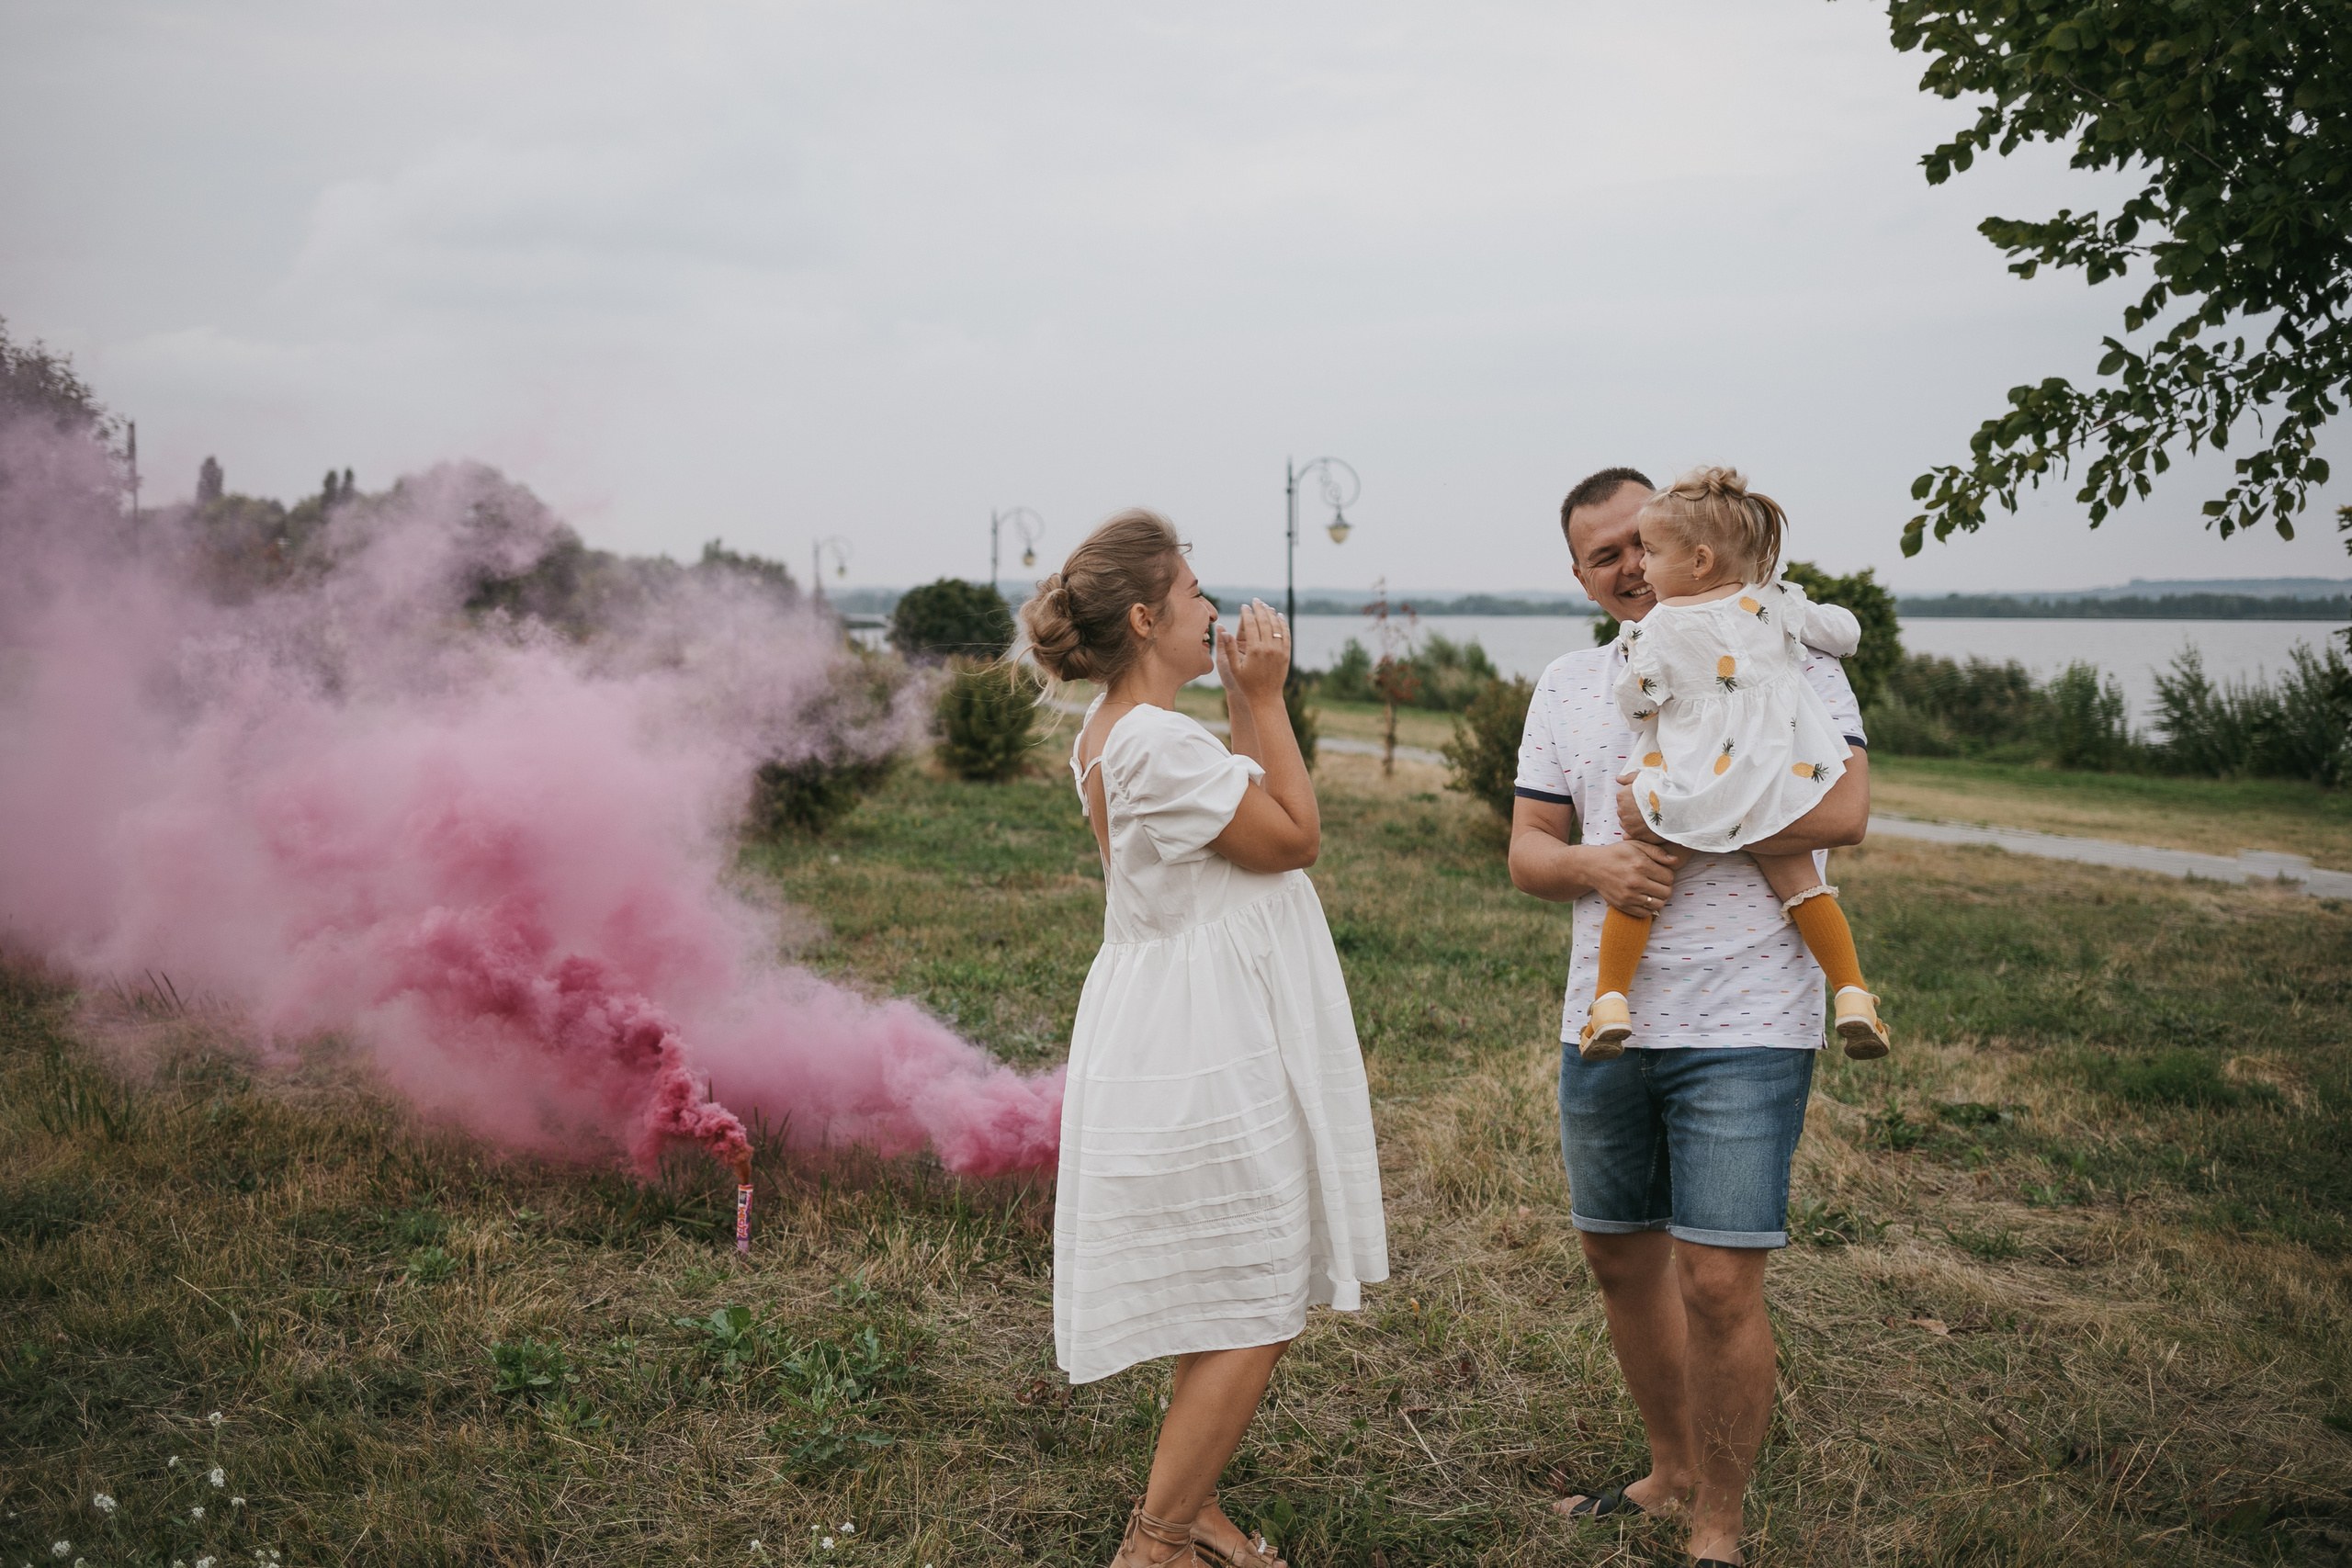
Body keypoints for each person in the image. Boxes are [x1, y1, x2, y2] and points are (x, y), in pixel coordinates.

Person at [1509, 468, 1871, 1568]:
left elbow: (1845, 810)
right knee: (1620, 1259)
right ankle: (1668, 1476)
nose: (1627, 565)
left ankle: (1719, 1523)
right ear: (1580, 576)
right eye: (1601, 554)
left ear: (1688, 548)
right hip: (1606, 1018)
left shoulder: (1783, 652)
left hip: (1749, 1015)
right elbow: (1528, 854)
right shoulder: (1571, 686)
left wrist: (1695, 808)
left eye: (1637, 540)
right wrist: (1596, 860)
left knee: (1717, 1277)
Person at [1021, 508, 1388, 1568]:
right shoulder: (1151, 739)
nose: (1215, 607)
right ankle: (1158, 1541)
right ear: (1144, 618)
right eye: (1193, 593)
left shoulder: (1113, 733)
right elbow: (1294, 839)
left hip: (1175, 1015)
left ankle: (1196, 1504)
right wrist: (1261, 701)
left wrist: (1234, 706)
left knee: (1222, 1280)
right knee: (1258, 1296)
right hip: (1206, 1039)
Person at [1580, 467, 1891, 1063]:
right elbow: (1845, 633)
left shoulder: (1663, 625)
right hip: (1775, 772)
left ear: (1698, 561)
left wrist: (1630, 657)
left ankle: (1610, 1001)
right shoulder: (1772, 601)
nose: (1642, 566)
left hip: (1696, 779)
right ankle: (1852, 994)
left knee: (1642, 877)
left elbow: (1637, 700)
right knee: (1803, 882)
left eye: (1650, 551)